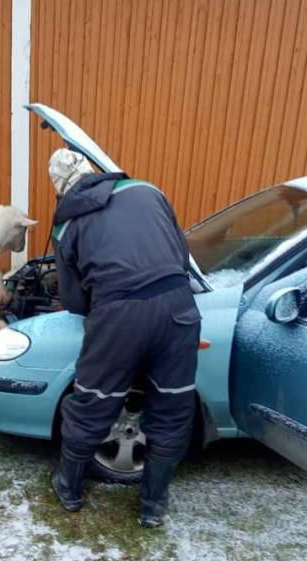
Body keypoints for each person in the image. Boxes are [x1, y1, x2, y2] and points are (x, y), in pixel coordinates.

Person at [48, 148, 201, 528]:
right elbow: (181, 257)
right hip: (178, 309)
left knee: (93, 401)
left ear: (60, 191)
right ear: (94, 172)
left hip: (118, 316)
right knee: (171, 405)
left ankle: (69, 489)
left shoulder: (66, 226)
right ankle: (153, 506)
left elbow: (73, 300)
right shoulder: (148, 190)